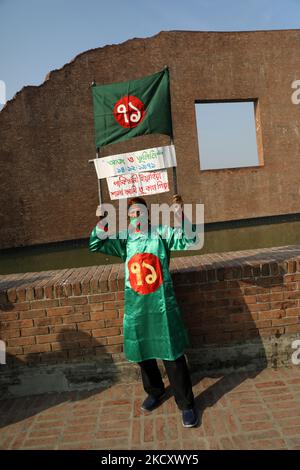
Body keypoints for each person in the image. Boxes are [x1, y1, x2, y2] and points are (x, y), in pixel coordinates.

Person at [89, 194, 198, 427]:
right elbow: (96, 244)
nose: (136, 216)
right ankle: (155, 390)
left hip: (161, 305)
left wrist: (180, 213)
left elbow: (190, 238)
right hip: (137, 306)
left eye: (140, 212)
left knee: (172, 354)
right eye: (132, 214)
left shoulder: (161, 233)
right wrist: (101, 221)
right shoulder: (125, 239)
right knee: (142, 352)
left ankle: (186, 404)